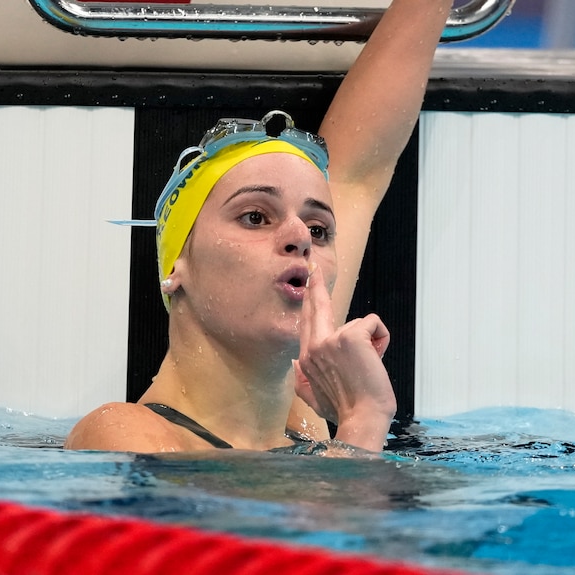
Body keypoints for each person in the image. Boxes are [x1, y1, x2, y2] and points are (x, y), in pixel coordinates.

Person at [65, 0, 453, 454]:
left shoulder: (304, 423)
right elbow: (317, 525)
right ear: (176, 265)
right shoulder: (123, 433)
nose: (300, 238)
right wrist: (363, 419)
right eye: (255, 217)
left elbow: (357, 173)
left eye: (319, 228)